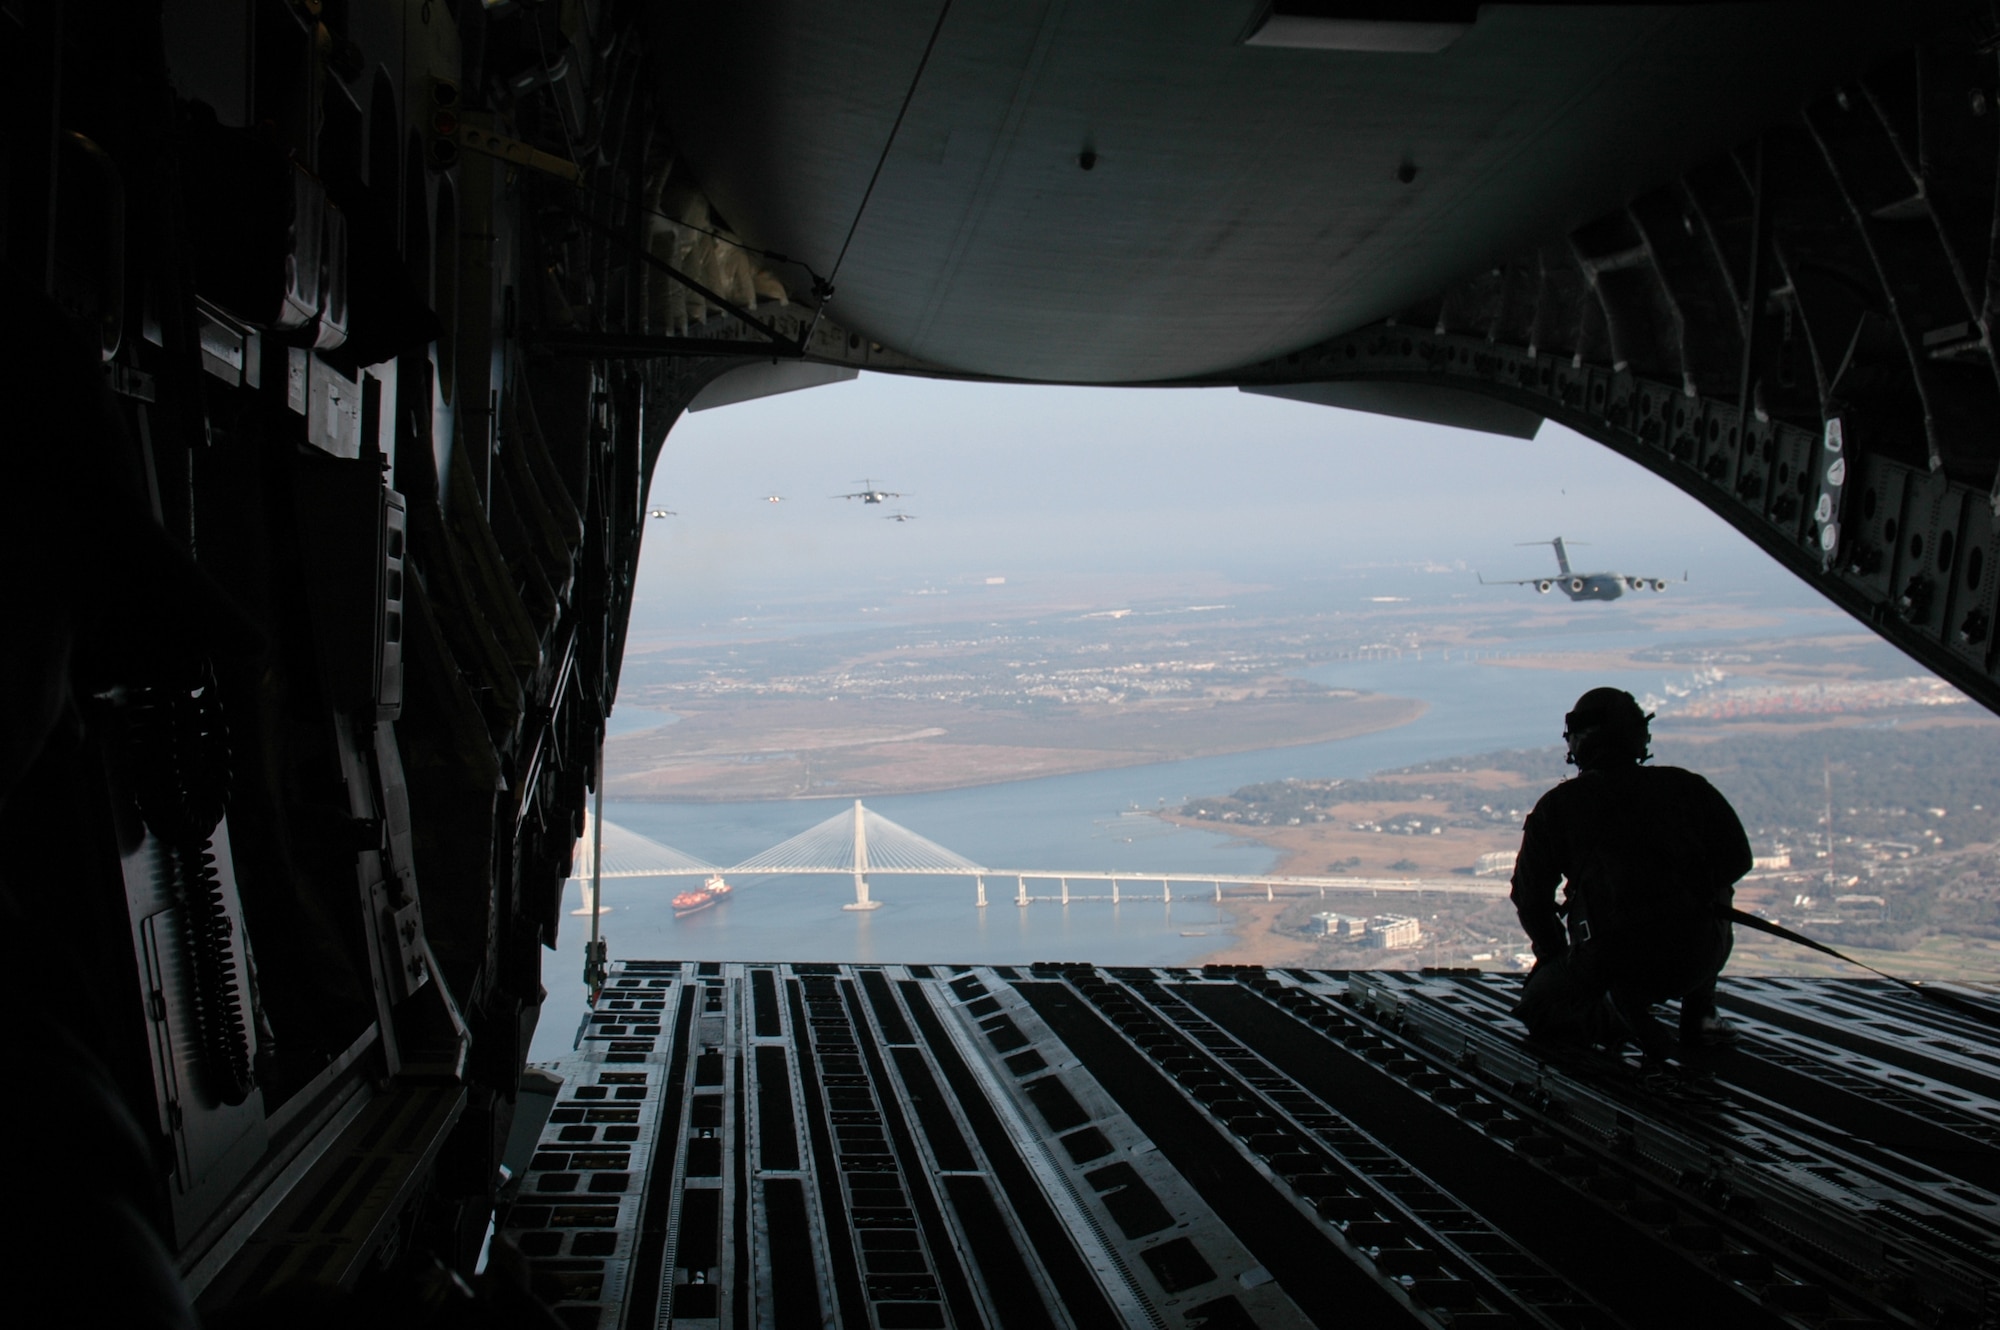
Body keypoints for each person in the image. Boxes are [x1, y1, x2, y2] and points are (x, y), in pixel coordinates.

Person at [1509, 687, 1751, 1061]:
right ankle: (1701, 1014)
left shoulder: (1559, 807)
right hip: (1696, 956)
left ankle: (1614, 1016)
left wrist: (1557, 959)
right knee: (1716, 888)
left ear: (1577, 742)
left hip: (1608, 960)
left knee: (1539, 1005)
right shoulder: (1688, 787)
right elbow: (1738, 860)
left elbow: (1531, 900)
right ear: (1639, 736)